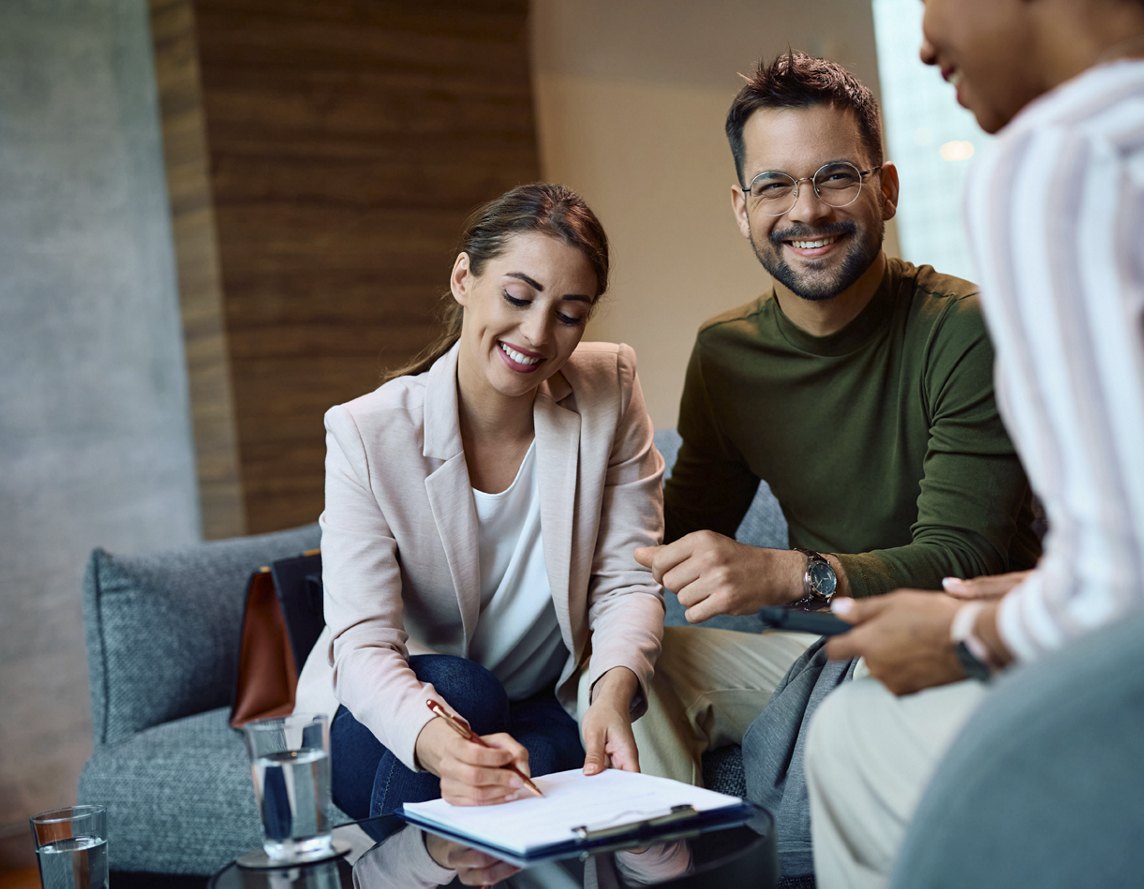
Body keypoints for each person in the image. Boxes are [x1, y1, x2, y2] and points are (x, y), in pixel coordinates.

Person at [805, 0, 1144, 885]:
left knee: (854, 735)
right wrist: (1045, 589)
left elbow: (1135, 592)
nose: (921, 40)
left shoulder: (1065, 154)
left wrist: (962, 632)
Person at [629, 51, 1041, 875]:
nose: (806, 210)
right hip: (818, 651)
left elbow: (961, 560)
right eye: (775, 186)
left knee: (867, 699)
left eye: (835, 177)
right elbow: (673, 533)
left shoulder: (962, 328)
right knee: (627, 665)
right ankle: (664, 867)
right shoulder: (726, 354)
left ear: (886, 187)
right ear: (741, 208)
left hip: (965, 646)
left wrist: (789, 574)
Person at [291, 183, 667, 820]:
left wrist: (611, 688)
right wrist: (443, 747)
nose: (537, 333)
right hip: (385, 714)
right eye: (518, 297)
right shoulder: (366, 431)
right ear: (465, 276)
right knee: (467, 691)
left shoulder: (612, 386)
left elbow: (629, 578)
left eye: (570, 314)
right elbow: (364, 645)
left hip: (534, 704)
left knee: (540, 764)